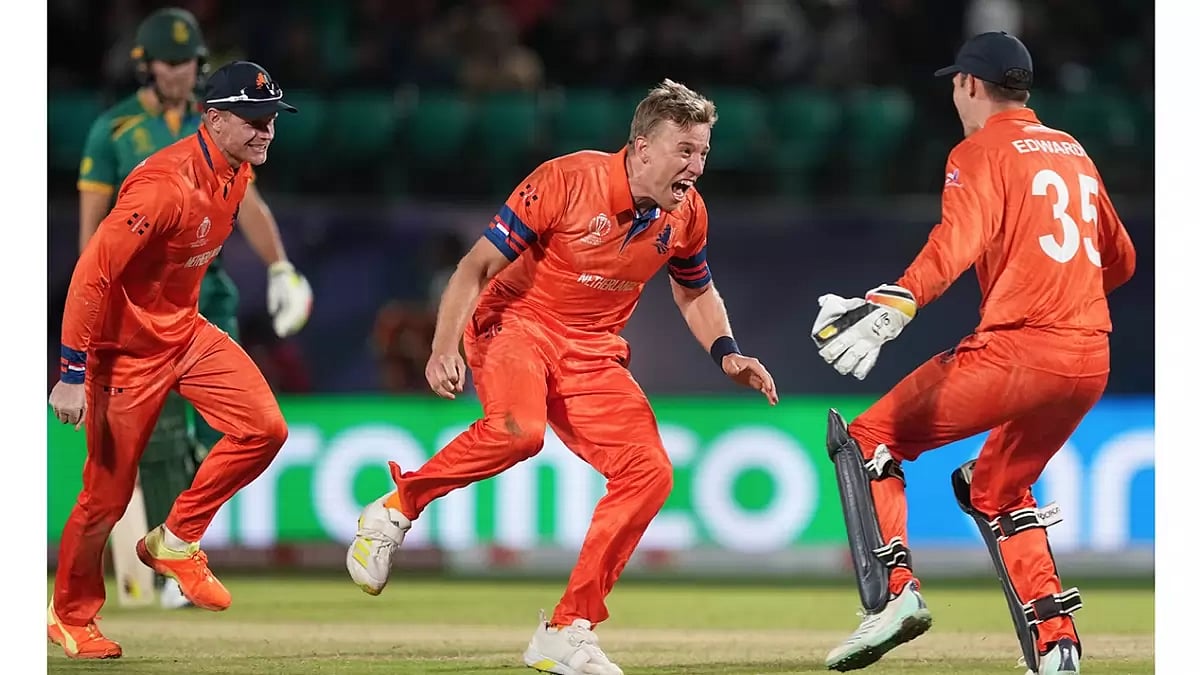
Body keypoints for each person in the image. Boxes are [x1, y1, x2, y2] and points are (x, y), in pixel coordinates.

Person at [346, 79, 779, 675]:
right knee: (520, 432)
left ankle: (566, 628)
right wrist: (444, 346)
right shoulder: (566, 181)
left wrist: (727, 352)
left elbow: (694, 289)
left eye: (704, 151)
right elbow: (475, 268)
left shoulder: (687, 215)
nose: (697, 166)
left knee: (649, 471)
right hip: (514, 323)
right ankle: (396, 507)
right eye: (685, 150)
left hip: (593, 353)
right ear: (642, 148)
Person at [809, 32, 1136, 674]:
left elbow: (955, 240)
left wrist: (897, 300)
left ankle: (894, 596)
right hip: (1090, 358)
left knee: (870, 436)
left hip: (1020, 349)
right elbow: (1119, 261)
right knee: (997, 484)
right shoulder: (1074, 151)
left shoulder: (978, 150)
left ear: (968, 85)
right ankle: (1056, 644)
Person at [48, 62, 300, 660]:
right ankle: (69, 617)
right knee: (106, 499)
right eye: (253, 120)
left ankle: (176, 539)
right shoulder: (164, 185)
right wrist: (71, 370)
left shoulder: (235, 173)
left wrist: (280, 266)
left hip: (184, 334)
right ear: (212, 118)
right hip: (124, 352)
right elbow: (94, 269)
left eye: (271, 120)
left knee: (265, 428)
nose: (266, 131)